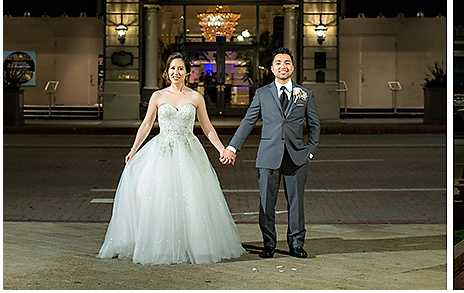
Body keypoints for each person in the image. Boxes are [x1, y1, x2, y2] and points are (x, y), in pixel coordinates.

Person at [98, 52, 244, 264]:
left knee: (192, 200)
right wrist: (134, 149)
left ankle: (192, 245)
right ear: (167, 72)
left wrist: (222, 149)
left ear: (187, 72)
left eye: (180, 68)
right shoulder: (158, 96)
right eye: (172, 68)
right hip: (162, 150)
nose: (176, 72)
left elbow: (207, 128)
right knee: (159, 198)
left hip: (189, 150)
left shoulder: (195, 97)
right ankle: (161, 245)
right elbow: (147, 124)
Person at [222, 47, 319, 259]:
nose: (282, 66)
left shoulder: (305, 94)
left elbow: (314, 125)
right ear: (272, 68)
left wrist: (309, 150)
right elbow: (248, 121)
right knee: (267, 203)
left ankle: (296, 244)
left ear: (292, 67)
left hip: (296, 156)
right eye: (278, 63)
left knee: (296, 203)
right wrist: (232, 146)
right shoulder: (262, 94)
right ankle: (269, 243)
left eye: (286, 63)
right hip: (268, 156)